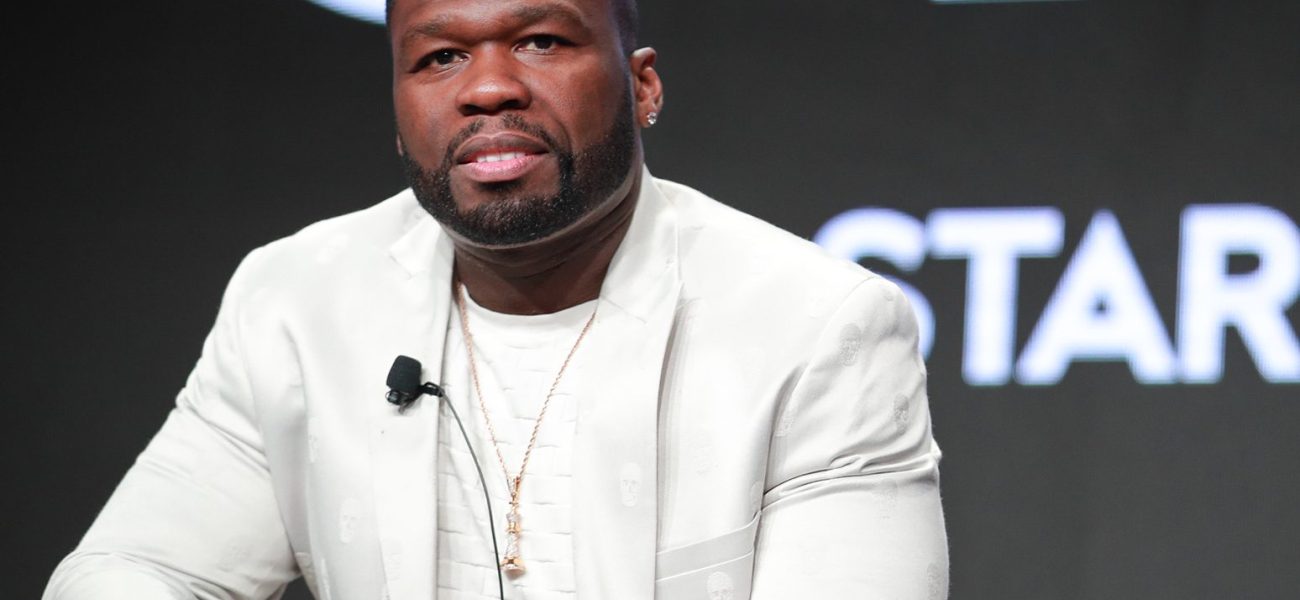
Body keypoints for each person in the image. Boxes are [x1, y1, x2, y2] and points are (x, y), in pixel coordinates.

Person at [45, 0, 948, 598]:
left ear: (643, 85)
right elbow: (135, 569)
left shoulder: (817, 326)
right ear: (398, 112)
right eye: (439, 58)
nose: (487, 88)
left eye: (541, 41)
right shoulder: (294, 299)